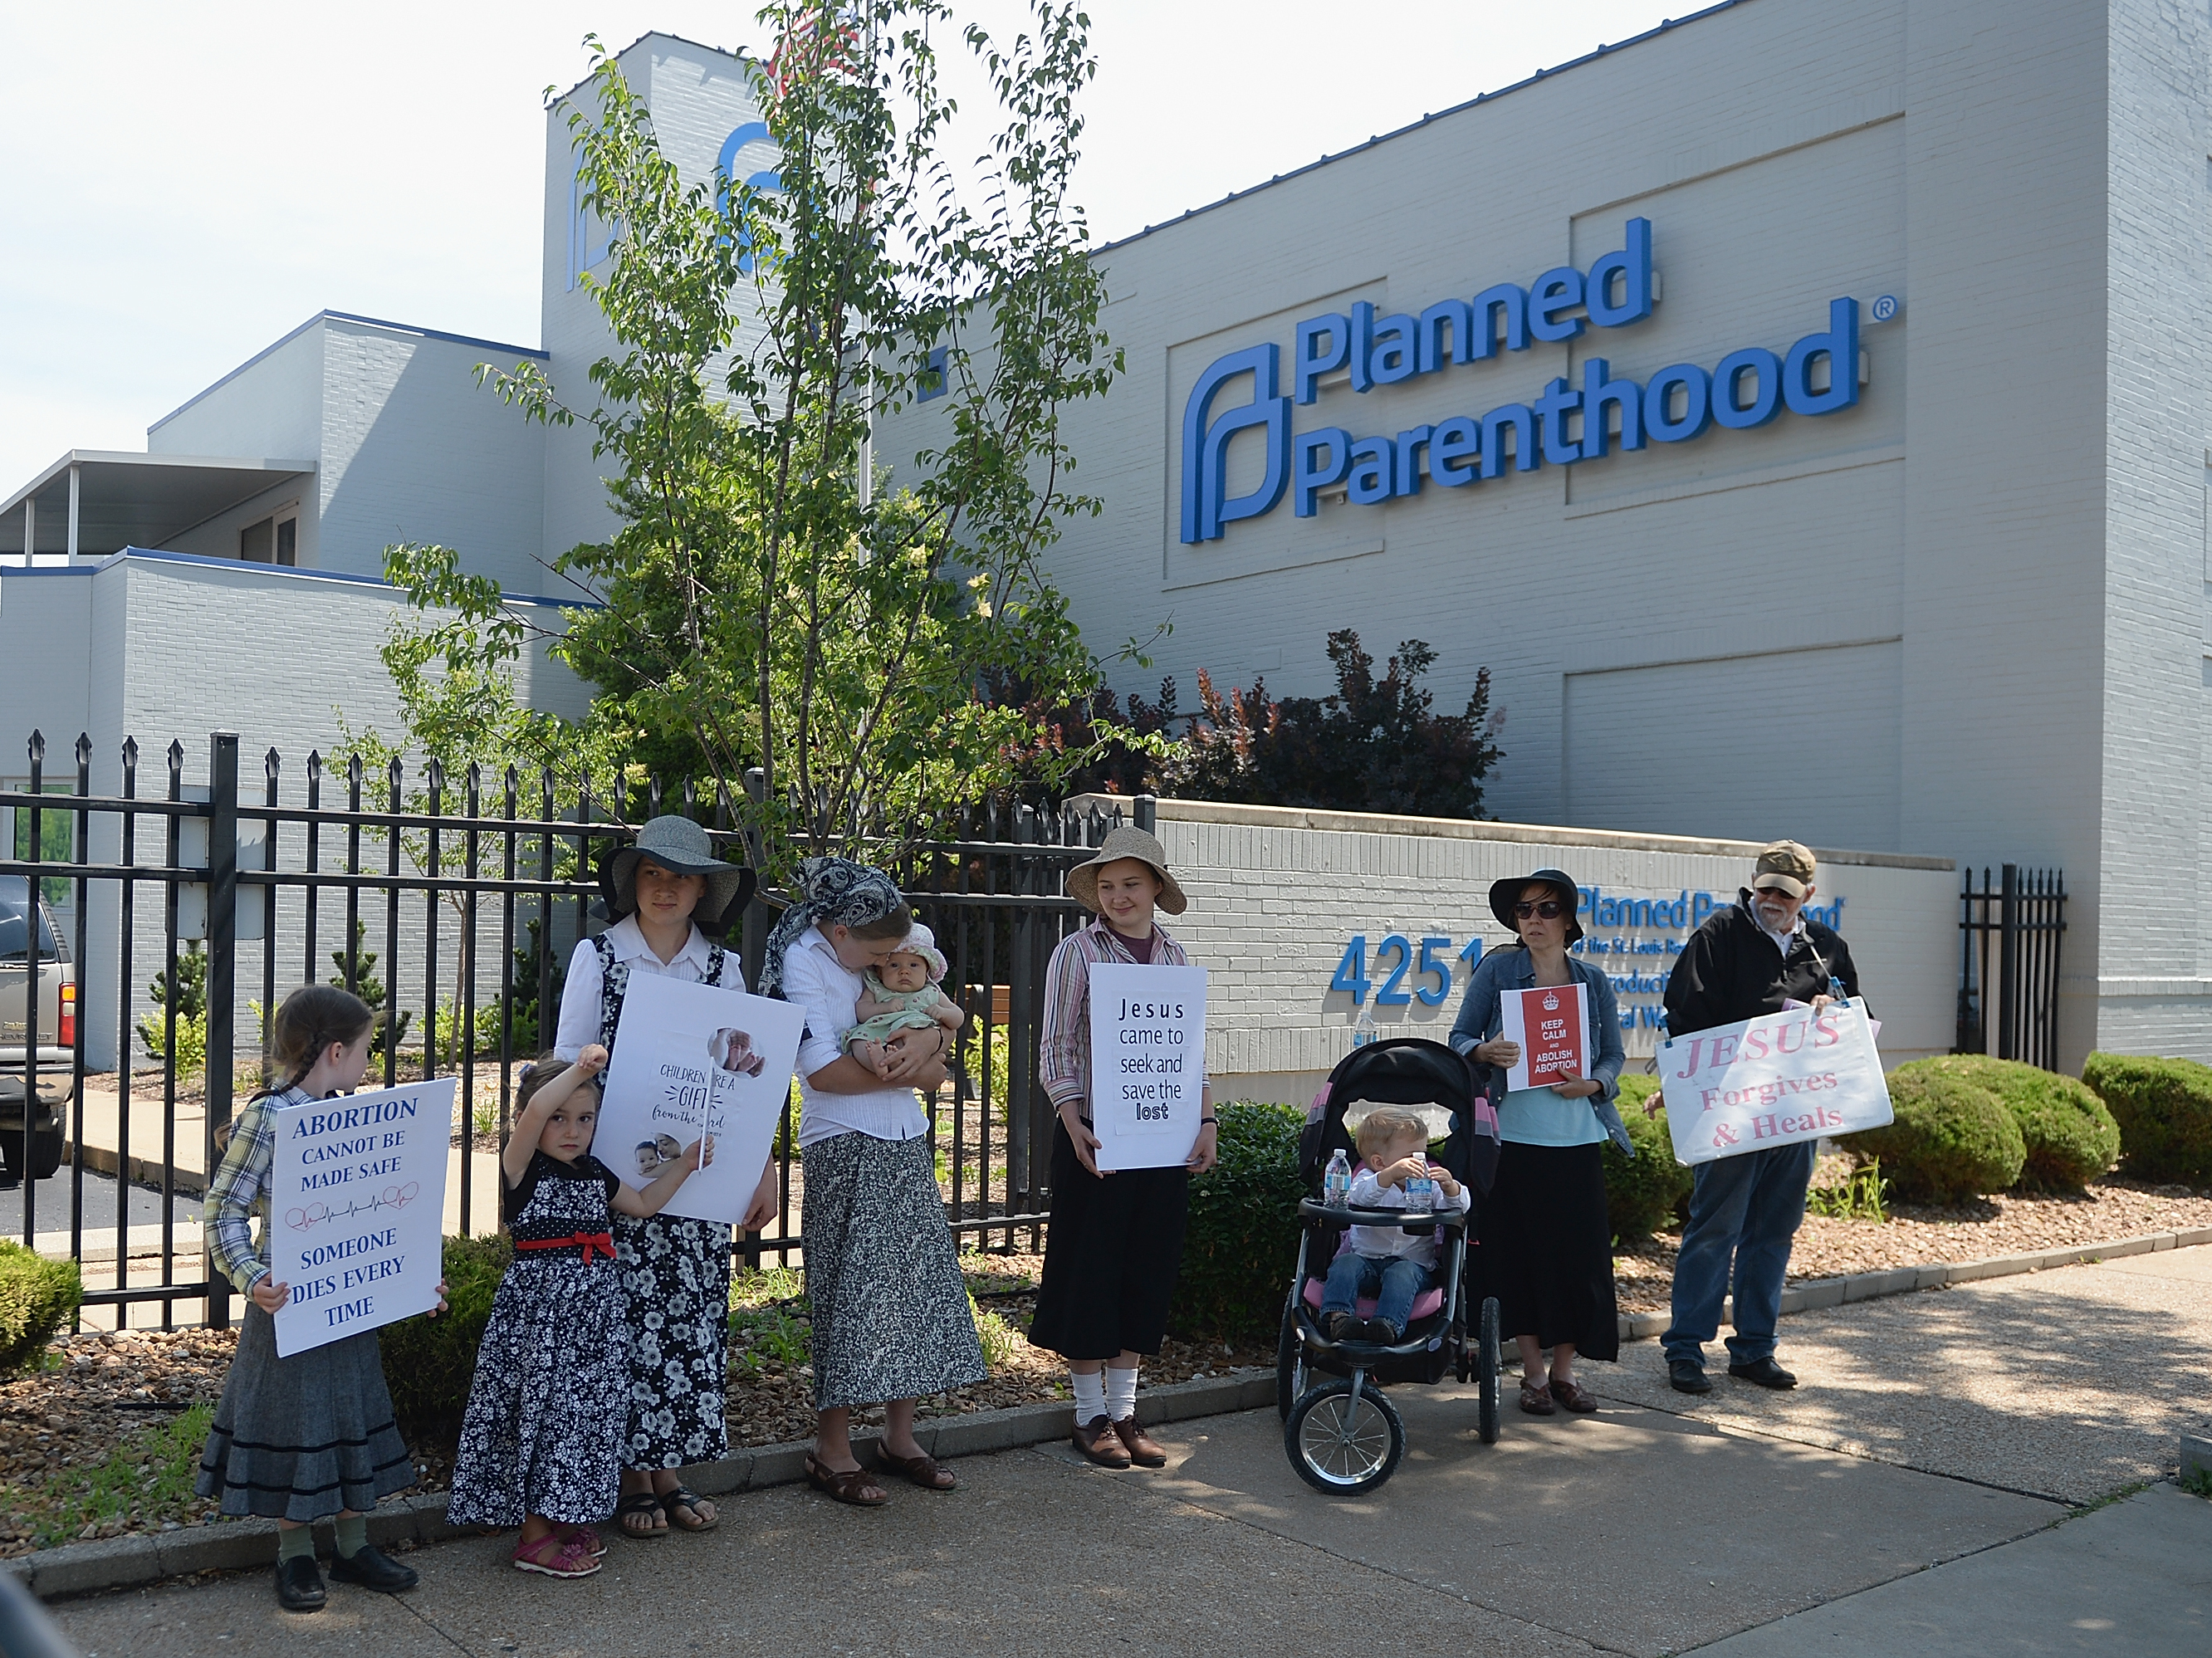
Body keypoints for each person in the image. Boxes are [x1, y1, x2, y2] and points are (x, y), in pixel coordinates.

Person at [551, 814, 776, 1538]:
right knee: (621, 1322)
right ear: (633, 883)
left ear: (702, 888)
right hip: (615, 1175)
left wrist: (764, 1164)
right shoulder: (599, 957)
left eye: (681, 876)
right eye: (653, 873)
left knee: (686, 1320)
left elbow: (746, 1077)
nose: (666, 887)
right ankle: (627, 1473)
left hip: (698, 1175)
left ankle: (666, 1467)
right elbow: (556, 1068)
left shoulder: (721, 968)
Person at [197, 985, 447, 1614]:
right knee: (296, 1421)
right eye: (366, 1049)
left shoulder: (357, 1118)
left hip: (350, 1308)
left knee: (348, 1415)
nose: (369, 1062)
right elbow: (223, 1208)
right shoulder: (269, 1117)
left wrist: (415, 1280)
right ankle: (296, 1554)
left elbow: (388, 1213)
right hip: (286, 1307)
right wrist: (253, 1279)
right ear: (336, 1049)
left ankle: (354, 1545)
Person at [761, 858, 987, 1507]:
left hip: (903, 1135)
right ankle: (832, 1449)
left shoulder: (874, 955)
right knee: (845, 1291)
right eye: (879, 945)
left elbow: (939, 1047)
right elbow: (823, 1072)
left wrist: (931, 1060)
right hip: (840, 1139)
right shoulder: (803, 960)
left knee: (911, 1287)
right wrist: (916, 1070)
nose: (893, 954)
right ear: (836, 930)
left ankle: (898, 1438)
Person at [446, 1047, 712, 1578]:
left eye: (585, 1118)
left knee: (581, 1419)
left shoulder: (592, 1172)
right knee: (543, 1418)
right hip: (542, 1320)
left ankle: (563, 1518)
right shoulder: (521, 1166)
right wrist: (579, 1072)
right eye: (560, 1118)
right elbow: (537, 1111)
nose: (572, 1130)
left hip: (591, 1321)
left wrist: (683, 1165)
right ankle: (534, 1536)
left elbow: (642, 1204)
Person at [1030, 826, 1217, 1471]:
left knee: (1145, 1267)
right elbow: (1054, 1044)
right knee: (1091, 1270)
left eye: (1131, 883)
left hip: (1163, 1139)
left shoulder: (1177, 958)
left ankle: (1126, 1411)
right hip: (1098, 1137)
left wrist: (1207, 1119)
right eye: (1107, 886)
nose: (1118, 895)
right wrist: (1072, 1118)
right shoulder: (1076, 952)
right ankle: (1088, 1415)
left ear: (1157, 888)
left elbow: (1189, 1054)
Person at [1655, 840, 1861, 1395]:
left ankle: (1753, 1349)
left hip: (1794, 1116)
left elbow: (1856, 1021)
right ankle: (1686, 1349)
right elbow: (1685, 1016)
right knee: (1714, 1229)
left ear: (1808, 896)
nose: (1771, 898)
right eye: (1764, 886)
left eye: (1785, 892)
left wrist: (1832, 1013)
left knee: (1773, 1232)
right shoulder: (1718, 935)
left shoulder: (1826, 949)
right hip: (1730, 1112)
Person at [1450, 868, 1629, 1417]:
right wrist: (1485, 1052)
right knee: (1518, 1260)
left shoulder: (1593, 981)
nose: (1534, 919)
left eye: (1547, 909)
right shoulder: (1498, 969)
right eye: (1524, 910)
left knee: (1579, 1261)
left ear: (1569, 920)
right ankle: (1532, 1375)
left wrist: (1593, 1083)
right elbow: (1458, 1038)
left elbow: (1614, 1056)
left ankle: (1566, 1373)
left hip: (1576, 1140)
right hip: (1511, 1140)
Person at [1319, 1105, 1470, 1342]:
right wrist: (1389, 1176)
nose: (1421, 1162)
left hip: (1413, 1265)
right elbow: (1359, 1196)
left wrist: (1451, 1187)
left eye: (1422, 1154)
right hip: (1366, 1260)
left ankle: (1387, 1324)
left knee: (1402, 1273)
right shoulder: (1366, 1178)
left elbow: (1459, 1206)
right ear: (1379, 1162)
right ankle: (1339, 1319)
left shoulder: (1427, 1183)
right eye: (1411, 1157)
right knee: (1344, 1265)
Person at [843, 921, 964, 1072]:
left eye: (913, 965)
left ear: (927, 972)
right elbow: (861, 1011)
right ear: (880, 972)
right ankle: (878, 1064)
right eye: (894, 965)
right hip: (878, 1032)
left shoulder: (931, 992)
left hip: (914, 1034)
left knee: (904, 1041)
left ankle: (893, 1062)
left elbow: (958, 1017)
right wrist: (884, 1007)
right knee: (858, 1042)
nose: (904, 971)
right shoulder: (876, 988)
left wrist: (943, 1013)